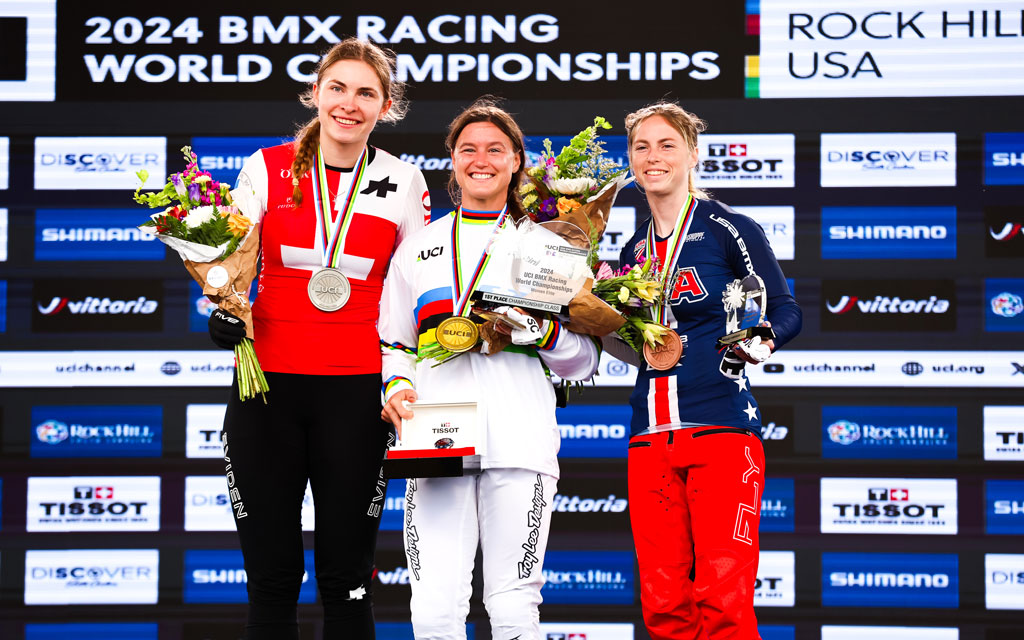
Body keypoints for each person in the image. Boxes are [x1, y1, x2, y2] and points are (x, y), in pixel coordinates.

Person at [207, 38, 429, 640]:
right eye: (337, 88)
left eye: (366, 93)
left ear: (386, 106)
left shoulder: (404, 181)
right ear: (315, 93)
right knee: (272, 581)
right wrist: (223, 310)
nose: (349, 104)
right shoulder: (266, 166)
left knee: (348, 579)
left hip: (357, 394)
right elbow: (227, 265)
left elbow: (417, 287)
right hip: (267, 390)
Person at [377, 98, 600, 640]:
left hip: (520, 443)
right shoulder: (420, 247)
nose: (482, 159)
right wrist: (398, 385)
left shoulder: (551, 246)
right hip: (436, 441)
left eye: (496, 149)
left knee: (514, 607)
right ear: (451, 159)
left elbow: (586, 359)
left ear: (517, 160)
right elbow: (392, 340)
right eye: (468, 148)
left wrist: (539, 332)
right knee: (432, 611)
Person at [614, 102, 802, 639]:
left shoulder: (728, 228)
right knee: (664, 604)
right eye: (641, 146)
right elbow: (636, 344)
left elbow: (786, 309)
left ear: (693, 154)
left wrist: (761, 340)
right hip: (649, 439)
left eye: (667, 144)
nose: (653, 157)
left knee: (723, 602)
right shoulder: (631, 250)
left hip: (721, 432)